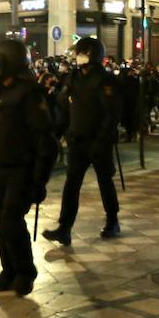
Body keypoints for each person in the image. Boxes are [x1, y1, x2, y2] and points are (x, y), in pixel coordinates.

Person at [0, 38, 56, 296]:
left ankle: (26, 271)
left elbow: (45, 141)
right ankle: (9, 270)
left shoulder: (29, 93)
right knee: (0, 219)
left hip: (21, 168)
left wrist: (39, 181)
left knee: (10, 219)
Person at [41, 36, 121, 246]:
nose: (78, 57)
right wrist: (56, 133)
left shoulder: (105, 80)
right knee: (71, 185)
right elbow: (65, 106)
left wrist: (102, 139)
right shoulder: (73, 77)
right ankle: (64, 228)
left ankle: (112, 220)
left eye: (82, 53)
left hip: (98, 142)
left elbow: (111, 114)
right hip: (78, 141)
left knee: (105, 182)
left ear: (93, 56)